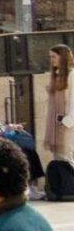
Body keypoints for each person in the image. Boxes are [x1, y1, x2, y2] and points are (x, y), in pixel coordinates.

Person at [45, 44, 74, 185]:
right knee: (58, 156)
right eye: (50, 57)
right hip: (56, 122)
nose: (51, 59)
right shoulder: (55, 76)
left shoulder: (72, 75)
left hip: (68, 124)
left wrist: (67, 121)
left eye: (54, 56)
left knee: (68, 157)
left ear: (62, 57)